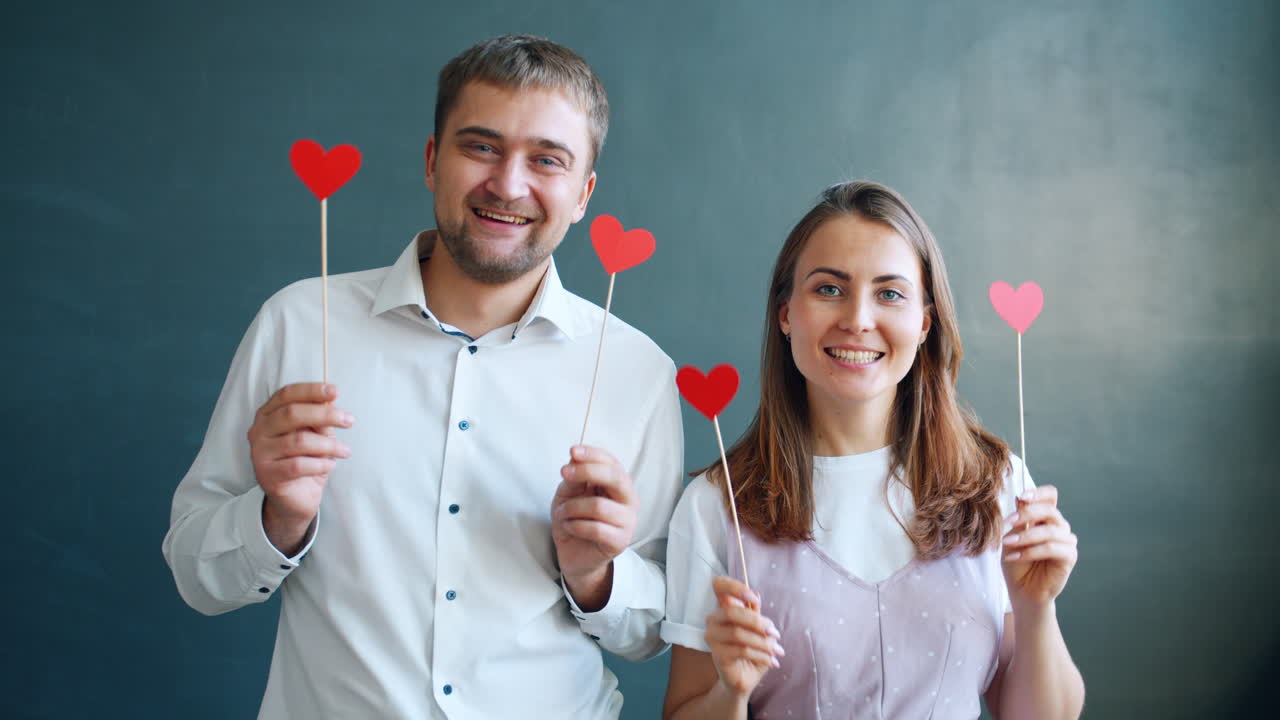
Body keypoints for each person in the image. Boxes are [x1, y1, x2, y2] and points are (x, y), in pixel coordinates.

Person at [162, 35, 683, 719]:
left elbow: (651, 632)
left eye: (546, 160)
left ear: (583, 193)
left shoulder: (636, 371)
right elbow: (199, 580)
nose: (508, 184)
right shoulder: (298, 324)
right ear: (433, 161)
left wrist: (594, 573)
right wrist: (277, 517)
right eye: (482, 147)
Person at [661, 181, 1084, 719]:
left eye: (890, 293)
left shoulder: (997, 485)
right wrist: (731, 692)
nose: (858, 319)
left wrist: (1034, 607)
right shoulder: (715, 505)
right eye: (829, 289)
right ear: (786, 312)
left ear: (925, 323)